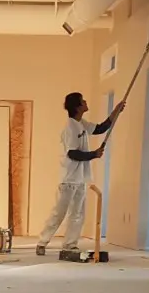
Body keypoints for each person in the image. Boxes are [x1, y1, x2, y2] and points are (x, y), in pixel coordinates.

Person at [36, 92, 126, 255]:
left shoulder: (81, 123)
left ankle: (70, 245)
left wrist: (116, 112)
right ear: (78, 107)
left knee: (77, 214)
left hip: (80, 178)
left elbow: (100, 128)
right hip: (69, 178)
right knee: (59, 213)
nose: (85, 102)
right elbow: (72, 153)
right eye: (83, 101)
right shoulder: (70, 127)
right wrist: (93, 154)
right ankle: (42, 242)